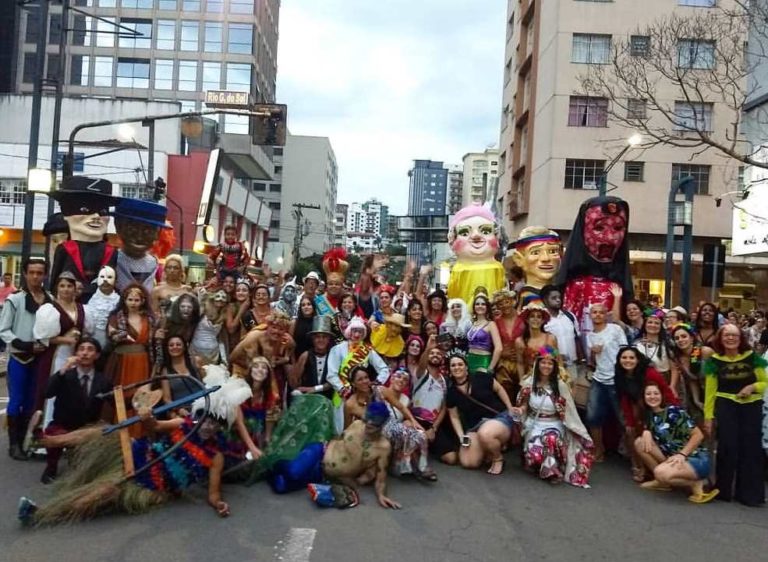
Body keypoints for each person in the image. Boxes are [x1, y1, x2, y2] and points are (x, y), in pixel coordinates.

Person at [18, 366, 254, 525]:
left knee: (106, 490)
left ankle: (40, 515)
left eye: (215, 424)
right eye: (206, 419)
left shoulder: (216, 457)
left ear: (220, 428)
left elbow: (213, 494)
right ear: (200, 416)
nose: (208, 426)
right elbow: (155, 429)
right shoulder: (184, 423)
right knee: (104, 431)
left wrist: (218, 504)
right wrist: (147, 418)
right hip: (142, 454)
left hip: (152, 485)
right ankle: (45, 440)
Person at [702, 324, 767, 507]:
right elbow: (710, 392)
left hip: (751, 407)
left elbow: (764, 382)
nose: (730, 338)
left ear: (741, 338)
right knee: (727, 447)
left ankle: (750, 495)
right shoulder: (713, 362)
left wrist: (752, 387)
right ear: (720, 338)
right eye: (726, 335)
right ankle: (724, 491)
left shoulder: (753, 358)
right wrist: (708, 416)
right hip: (726, 406)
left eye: (734, 335)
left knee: (751, 450)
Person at [39, 337, 112, 484]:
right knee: (53, 432)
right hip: (62, 425)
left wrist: (140, 401)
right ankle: (51, 467)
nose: (85, 353)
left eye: (90, 349)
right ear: (76, 353)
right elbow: (47, 393)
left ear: (97, 355)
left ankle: (81, 460)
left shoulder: (103, 380)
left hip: (87, 428)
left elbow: (117, 403)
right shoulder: (65, 375)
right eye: (81, 349)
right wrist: (63, 369)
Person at [517, 348, 594, 487]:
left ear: (555, 366)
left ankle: (552, 472)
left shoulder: (560, 386)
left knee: (550, 440)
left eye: (550, 363)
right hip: (534, 424)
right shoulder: (529, 382)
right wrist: (519, 410)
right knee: (536, 453)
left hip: (554, 424)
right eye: (543, 362)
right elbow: (523, 404)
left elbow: (569, 412)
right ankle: (535, 462)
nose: (546, 366)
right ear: (537, 364)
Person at [0, 258, 52, 460]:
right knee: (16, 401)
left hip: (41, 358)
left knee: (32, 402)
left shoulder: (49, 299)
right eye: (32, 272)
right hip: (20, 357)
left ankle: (24, 441)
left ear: (45, 275)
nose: (36, 277)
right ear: (25, 274)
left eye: (40, 273)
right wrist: (21, 343)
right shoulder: (15, 300)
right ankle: (13, 445)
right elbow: (3, 329)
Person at [556, 197, 633, 333]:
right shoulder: (576, 285)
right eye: (599, 227)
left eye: (618, 228)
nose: (609, 238)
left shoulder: (618, 288)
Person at [635, 382, 719, 503]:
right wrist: (645, 431)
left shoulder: (674, 411)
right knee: (640, 442)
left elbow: (698, 435)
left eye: (656, 393)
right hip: (673, 458)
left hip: (693, 457)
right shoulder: (649, 416)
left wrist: (682, 454)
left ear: (662, 395)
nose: (652, 397)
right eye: (648, 394)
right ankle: (663, 483)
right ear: (643, 397)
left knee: (660, 472)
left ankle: (695, 483)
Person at [47, 176, 120, 304]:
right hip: (69, 305)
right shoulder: (64, 249)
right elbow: (54, 281)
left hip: (99, 306)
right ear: (67, 213)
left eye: (103, 211)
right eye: (85, 210)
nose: (96, 216)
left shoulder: (111, 252)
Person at [613, 346, 678, 483]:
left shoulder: (649, 373)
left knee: (657, 438)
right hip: (638, 409)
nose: (628, 360)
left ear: (638, 359)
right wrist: (630, 422)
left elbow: (665, 392)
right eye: (624, 358)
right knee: (631, 432)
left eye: (631, 357)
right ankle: (639, 467)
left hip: (658, 407)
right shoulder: (621, 376)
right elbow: (625, 400)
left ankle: (668, 470)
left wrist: (674, 412)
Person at [445, 352, 516, 475]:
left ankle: (497, 458)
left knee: (486, 433)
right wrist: (461, 436)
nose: (457, 367)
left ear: (466, 367)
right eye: (453, 365)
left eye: (460, 364)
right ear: (450, 370)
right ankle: (488, 448)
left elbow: (499, 389)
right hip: (476, 426)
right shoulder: (451, 392)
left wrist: (510, 408)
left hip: (498, 418)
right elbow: (454, 416)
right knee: (468, 462)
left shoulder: (480, 377)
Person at [322, 402, 401, 509]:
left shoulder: (383, 447)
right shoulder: (357, 424)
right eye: (367, 417)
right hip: (320, 452)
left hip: (326, 474)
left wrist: (381, 495)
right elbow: (338, 439)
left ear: (382, 423)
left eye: (375, 420)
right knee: (295, 470)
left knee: (295, 474)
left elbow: (381, 478)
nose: (369, 422)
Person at [33, 271, 87, 413]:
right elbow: (43, 337)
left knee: (71, 392)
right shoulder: (49, 309)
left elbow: (87, 332)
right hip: (55, 356)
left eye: (69, 286)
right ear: (57, 288)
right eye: (62, 285)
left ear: (75, 288)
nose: (66, 289)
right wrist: (67, 339)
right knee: (53, 389)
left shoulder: (82, 309)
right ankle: (47, 425)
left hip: (77, 356)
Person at [327, 317, 390, 432]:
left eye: (360, 332)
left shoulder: (367, 350)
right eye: (354, 331)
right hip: (342, 396)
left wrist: (375, 384)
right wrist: (344, 390)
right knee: (341, 429)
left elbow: (384, 369)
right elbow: (331, 375)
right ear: (349, 331)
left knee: (363, 430)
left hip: (362, 397)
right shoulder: (337, 349)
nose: (356, 335)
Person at [585, 302, 628, 462]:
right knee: (592, 416)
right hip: (599, 378)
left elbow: (625, 350)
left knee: (623, 418)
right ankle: (598, 450)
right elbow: (592, 361)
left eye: (600, 312)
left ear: (605, 314)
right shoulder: (590, 336)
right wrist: (592, 353)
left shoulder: (615, 329)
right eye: (594, 312)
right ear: (590, 315)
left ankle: (631, 453)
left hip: (616, 379)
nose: (597, 315)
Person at [377, 369, 436, 480]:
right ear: (392, 378)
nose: (401, 380)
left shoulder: (406, 400)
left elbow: (405, 416)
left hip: (397, 428)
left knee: (419, 434)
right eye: (398, 377)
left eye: (405, 379)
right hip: (381, 426)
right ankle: (401, 465)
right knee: (405, 432)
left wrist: (411, 422)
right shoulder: (382, 390)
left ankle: (421, 467)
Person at [113, 198, 170, 293]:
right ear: (118, 226)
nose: (139, 237)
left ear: (158, 232)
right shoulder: (110, 261)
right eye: (132, 229)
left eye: (147, 231)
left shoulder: (155, 267)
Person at [410, 340, 453, 464]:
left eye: (439, 354)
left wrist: (434, 429)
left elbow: (444, 407)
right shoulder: (421, 374)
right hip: (415, 420)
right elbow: (422, 364)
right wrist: (428, 348)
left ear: (442, 359)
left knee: (451, 458)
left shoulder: (445, 381)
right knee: (413, 454)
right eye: (432, 353)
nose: (435, 355)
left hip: (432, 424)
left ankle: (428, 445)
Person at [510, 226, 563, 308]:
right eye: (535, 252)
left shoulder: (563, 292)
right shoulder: (529, 297)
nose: (546, 258)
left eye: (553, 251)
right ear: (519, 259)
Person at [669, 323, 712, 422]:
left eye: (684, 336)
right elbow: (692, 379)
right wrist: (696, 400)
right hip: (701, 395)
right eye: (677, 338)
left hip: (715, 393)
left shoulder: (705, 352)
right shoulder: (679, 359)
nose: (680, 340)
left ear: (692, 338)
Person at [289, 316, 334, 400]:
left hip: (328, 400)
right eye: (317, 337)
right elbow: (295, 382)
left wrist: (315, 389)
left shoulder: (333, 355)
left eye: (324, 337)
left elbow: (335, 380)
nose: (321, 340)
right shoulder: (305, 355)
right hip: (308, 400)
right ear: (312, 339)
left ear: (329, 339)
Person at [542, 285, 582, 375]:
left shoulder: (569, 316)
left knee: (573, 388)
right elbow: (541, 345)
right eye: (554, 298)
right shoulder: (542, 319)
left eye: (559, 297)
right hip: (552, 367)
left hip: (572, 365)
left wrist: (581, 359)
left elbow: (577, 338)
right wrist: (557, 355)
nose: (558, 300)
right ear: (545, 300)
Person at [515, 304, 558, 383]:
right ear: (527, 320)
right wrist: (521, 380)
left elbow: (557, 359)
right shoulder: (520, 341)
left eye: (539, 317)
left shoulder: (551, 339)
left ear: (542, 321)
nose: (535, 319)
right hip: (530, 380)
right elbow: (520, 363)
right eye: (532, 316)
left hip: (549, 379)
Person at [634, 311, 676, 393]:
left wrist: (672, 386)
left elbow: (674, 369)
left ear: (661, 327)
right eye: (650, 322)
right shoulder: (636, 345)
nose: (653, 325)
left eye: (657, 323)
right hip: (642, 382)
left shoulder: (668, 345)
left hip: (663, 381)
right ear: (645, 325)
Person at [158, 335, 201, 408]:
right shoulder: (165, 371)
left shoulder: (195, 361)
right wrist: (178, 410)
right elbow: (167, 399)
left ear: (184, 347)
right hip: (182, 408)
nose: (175, 347)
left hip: (202, 404)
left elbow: (206, 383)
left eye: (178, 344)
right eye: (171, 345)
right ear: (167, 349)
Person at [84, 266, 120, 350]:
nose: (105, 280)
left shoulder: (119, 301)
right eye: (102, 277)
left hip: (111, 346)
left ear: (115, 281)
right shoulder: (87, 297)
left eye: (110, 277)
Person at [466, 292, 503, 374]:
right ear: (474, 307)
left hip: (483, 361)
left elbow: (499, 348)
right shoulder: (472, 323)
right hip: (470, 360)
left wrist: (490, 367)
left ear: (487, 307)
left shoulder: (491, 324)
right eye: (477, 304)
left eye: (483, 304)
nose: (480, 306)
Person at [189, 290, 227, 366]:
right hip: (197, 349)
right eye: (218, 297)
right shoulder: (204, 309)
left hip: (213, 353)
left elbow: (221, 337)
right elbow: (192, 320)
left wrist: (223, 355)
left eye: (223, 298)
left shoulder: (223, 314)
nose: (220, 300)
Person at [292, 295, 317, 360]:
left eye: (309, 304)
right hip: (297, 357)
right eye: (303, 305)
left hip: (314, 358)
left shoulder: (318, 321)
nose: (306, 307)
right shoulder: (294, 322)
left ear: (313, 306)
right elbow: (290, 344)